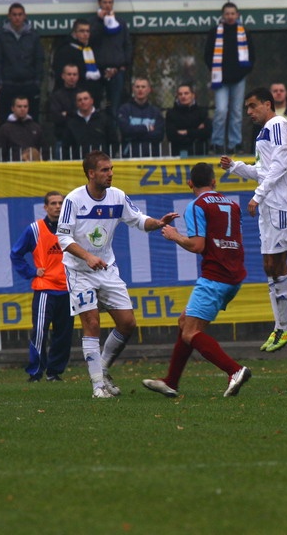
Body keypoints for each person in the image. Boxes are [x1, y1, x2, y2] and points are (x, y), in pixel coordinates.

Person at [56, 151, 178, 398]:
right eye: (104, 170)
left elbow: (139, 220)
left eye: (111, 169)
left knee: (127, 323)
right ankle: (98, 386)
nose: (110, 173)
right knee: (91, 323)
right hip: (79, 271)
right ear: (91, 173)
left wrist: (158, 222)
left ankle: (102, 368)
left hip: (106, 268)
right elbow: (63, 237)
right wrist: (88, 257)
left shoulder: (118, 196)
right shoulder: (73, 200)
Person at [142, 162, 252, 398]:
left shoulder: (197, 205)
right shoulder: (231, 204)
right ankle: (171, 381)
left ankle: (234, 370)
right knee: (185, 322)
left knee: (190, 332)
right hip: (235, 274)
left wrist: (174, 236)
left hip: (215, 276)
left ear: (190, 184)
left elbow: (197, 245)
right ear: (214, 182)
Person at [221, 87, 287, 353]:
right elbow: (263, 170)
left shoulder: (277, 124)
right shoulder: (263, 132)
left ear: (268, 104)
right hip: (269, 205)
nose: (249, 112)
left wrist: (257, 195)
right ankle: (280, 326)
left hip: (280, 204)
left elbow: (279, 165)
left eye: (253, 106)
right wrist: (235, 166)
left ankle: (286, 326)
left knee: (277, 262)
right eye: (247, 108)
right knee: (269, 265)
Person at [10, 191, 73, 382]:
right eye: (53, 203)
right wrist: (31, 272)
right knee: (39, 332)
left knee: (64, 335)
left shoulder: (72, 228)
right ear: (45, 207)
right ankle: (35, 372)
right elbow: (16, 254)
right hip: (45, 289)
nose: (57, 207)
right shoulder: (35, 229)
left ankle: (54, 372)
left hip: (68, 289)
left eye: (61, 203)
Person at [204, 2, 254, 154]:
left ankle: (235, 143)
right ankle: (216, 143)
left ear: (237, 15)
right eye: (227, 13)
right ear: (223, 15)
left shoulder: (244, 32)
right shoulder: (214, 32)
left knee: (237, 112)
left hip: (239, 79)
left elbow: (252, 56)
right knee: (221, 110)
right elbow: (207, 55)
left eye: (233, 13)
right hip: (220, 80)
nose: (230, 16)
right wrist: (216, 72)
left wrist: (241, 73)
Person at [0, 3, 45, 124]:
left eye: (20, 14)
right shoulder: (1, 36)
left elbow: (39, 59)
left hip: (30, 83)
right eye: (14, 15)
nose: (17, 17)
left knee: (32, 120)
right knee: (6, 121)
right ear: (9, 16)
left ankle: (32, 143)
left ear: (25, 16)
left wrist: (37, 81)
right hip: (8, 84)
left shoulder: (33, 35)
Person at [90, 0, 132, 135]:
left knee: (114, 109)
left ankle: (114, 143)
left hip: (116, 72)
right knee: (94, 108)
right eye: (104, 2)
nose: (107, 5)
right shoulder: (92, 23)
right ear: (99, 3)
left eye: (110, 2)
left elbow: (127, 46)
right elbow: (90, 41)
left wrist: (121, 66)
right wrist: (102, 23)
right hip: (96, 73)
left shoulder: (120, 23)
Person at [51, 19, 100, 102]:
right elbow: (59, 73)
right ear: (74, 33)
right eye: (82, 31)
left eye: (87, 31)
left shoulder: (90, 49)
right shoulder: (65, 49)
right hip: (70, 96)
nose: (85, 34)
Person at [117, 77, 164, 158]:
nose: (140, 89)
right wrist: (146, 128)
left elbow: (159, 135)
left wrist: (135, 133)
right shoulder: (124, 109)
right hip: (130, 156)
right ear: (133, 89)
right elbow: (125, 131)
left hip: (152, 157)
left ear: (149, 89)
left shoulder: (156, 112)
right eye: (137, 87)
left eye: (143, 87)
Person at [165, 83, 210, 156]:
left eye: (186, 93)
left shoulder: (202, 112)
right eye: (180, 94)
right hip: (178, 154)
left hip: (200, 153)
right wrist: (196, 131)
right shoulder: (171, 113)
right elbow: (171, 135)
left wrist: (187, 132)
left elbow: (207, 132)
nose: (183, 96)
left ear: (193, 95)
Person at [49, 63, 82, 159]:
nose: (72, 77)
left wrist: (67, 113)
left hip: (80, 140)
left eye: (74, 74)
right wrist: (75, 114)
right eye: (69, 74)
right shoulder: (56, 96)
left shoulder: (82, 94)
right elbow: (56, 117)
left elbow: (84, 115)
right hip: (62, 140)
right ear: (63, 76)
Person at [66, 90, 112, 158]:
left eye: (85, 99)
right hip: (79, 162)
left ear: (91, 101)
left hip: (101, 162)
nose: (83, 102)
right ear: (76, 103)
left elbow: (113, 141)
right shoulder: (71, 123)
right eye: (79, 100)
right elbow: (66, 146)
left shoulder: (103, 119)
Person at [0, 95, 44, 161]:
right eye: (19, 106)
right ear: (12, 108)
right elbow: (0, 152)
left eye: (25, 106)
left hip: (33, 166)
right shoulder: (5, 129)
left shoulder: (36, 127)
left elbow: (43, 150)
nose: (22, 109)